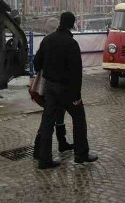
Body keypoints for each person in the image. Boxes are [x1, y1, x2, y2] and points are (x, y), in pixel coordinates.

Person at [33, 11, 98, 169]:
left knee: (48, 122)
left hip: (50, 88)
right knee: (79, 119)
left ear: (60, 22)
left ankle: (44, 159)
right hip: (67, 89)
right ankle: (81, 155)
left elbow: (36, 64)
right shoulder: (71, 44)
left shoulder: (47, 40)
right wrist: (77, 95)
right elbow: (77, 72)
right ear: (72, 24)